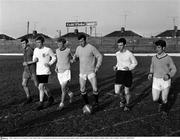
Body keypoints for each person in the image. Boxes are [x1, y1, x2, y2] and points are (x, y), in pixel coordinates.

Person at [73, 34, 103, 113]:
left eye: (82, 41)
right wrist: (74, 59)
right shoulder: (78, 48)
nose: (81, 43)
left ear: (85, 40)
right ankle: (86, 104)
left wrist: (97, 67)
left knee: (95, 88)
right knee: (82, 89)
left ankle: (96, 102)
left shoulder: (91, 47)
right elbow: (76, 57)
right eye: (79, 41)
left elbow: (99, 56)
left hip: (91, 72)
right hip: (82, 73)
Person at [148, 39, 176, 117]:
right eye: (156, 47)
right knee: (155, 99)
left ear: (164, 48)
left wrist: (169, 75)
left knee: (164, 99)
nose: (157, 49)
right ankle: (160, 103)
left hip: (165, 81)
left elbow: (174, 69)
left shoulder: (168, 58)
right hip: (156, 80)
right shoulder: (153, 58)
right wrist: (151, 73)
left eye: (159, 47)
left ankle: (165, 111)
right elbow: (152, 66)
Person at [113, 38, 138, 111]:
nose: (119, 47)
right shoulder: (117, 53)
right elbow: (118, 63)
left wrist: (129, 67)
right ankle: (122, 100)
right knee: (117, 91)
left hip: (127, 73)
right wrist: (116, 67)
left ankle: (127, 105)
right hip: (119, 73)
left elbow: (135, 63)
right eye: (118, 45)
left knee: (127, 91)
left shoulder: (129, 54)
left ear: (125, 45)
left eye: (121, 45)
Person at [33, 36, 56, 110]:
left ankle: (41, 103)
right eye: (36, 42)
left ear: (42, 42)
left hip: (45, 71)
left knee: (41, 86)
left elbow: (54, 57)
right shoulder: (36, 50)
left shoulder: (48, 50)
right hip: (38, 71)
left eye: (39, 42)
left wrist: (49, 63)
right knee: (44, 87)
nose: (37, 44)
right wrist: (34, 59)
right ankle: (50, 97)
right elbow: (34, 57)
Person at [55, 38, 74, 111]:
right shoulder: (57, 50)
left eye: (60, 44)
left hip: (66, 71)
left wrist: (72, 60)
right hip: (59, 72)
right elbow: (58, 60)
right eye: (58, 44)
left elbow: (73, 58)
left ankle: (61, 104)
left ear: (64, 44)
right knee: (64, 88)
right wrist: (56, 67)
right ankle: (70, 94)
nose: (59, 45)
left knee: (63, 88)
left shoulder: (68, 50)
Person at [21, 38, 38, 105]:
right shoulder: (24, 50)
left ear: (27, 43)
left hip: (33, 70)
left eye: (24, 43)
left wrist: (27, 63)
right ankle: (29, 97)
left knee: (37, 85)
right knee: (24, 84)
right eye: (21, 43)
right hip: (26, 70)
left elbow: (36, 59)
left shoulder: (31, 50)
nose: (22, 45)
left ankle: (49, 97)